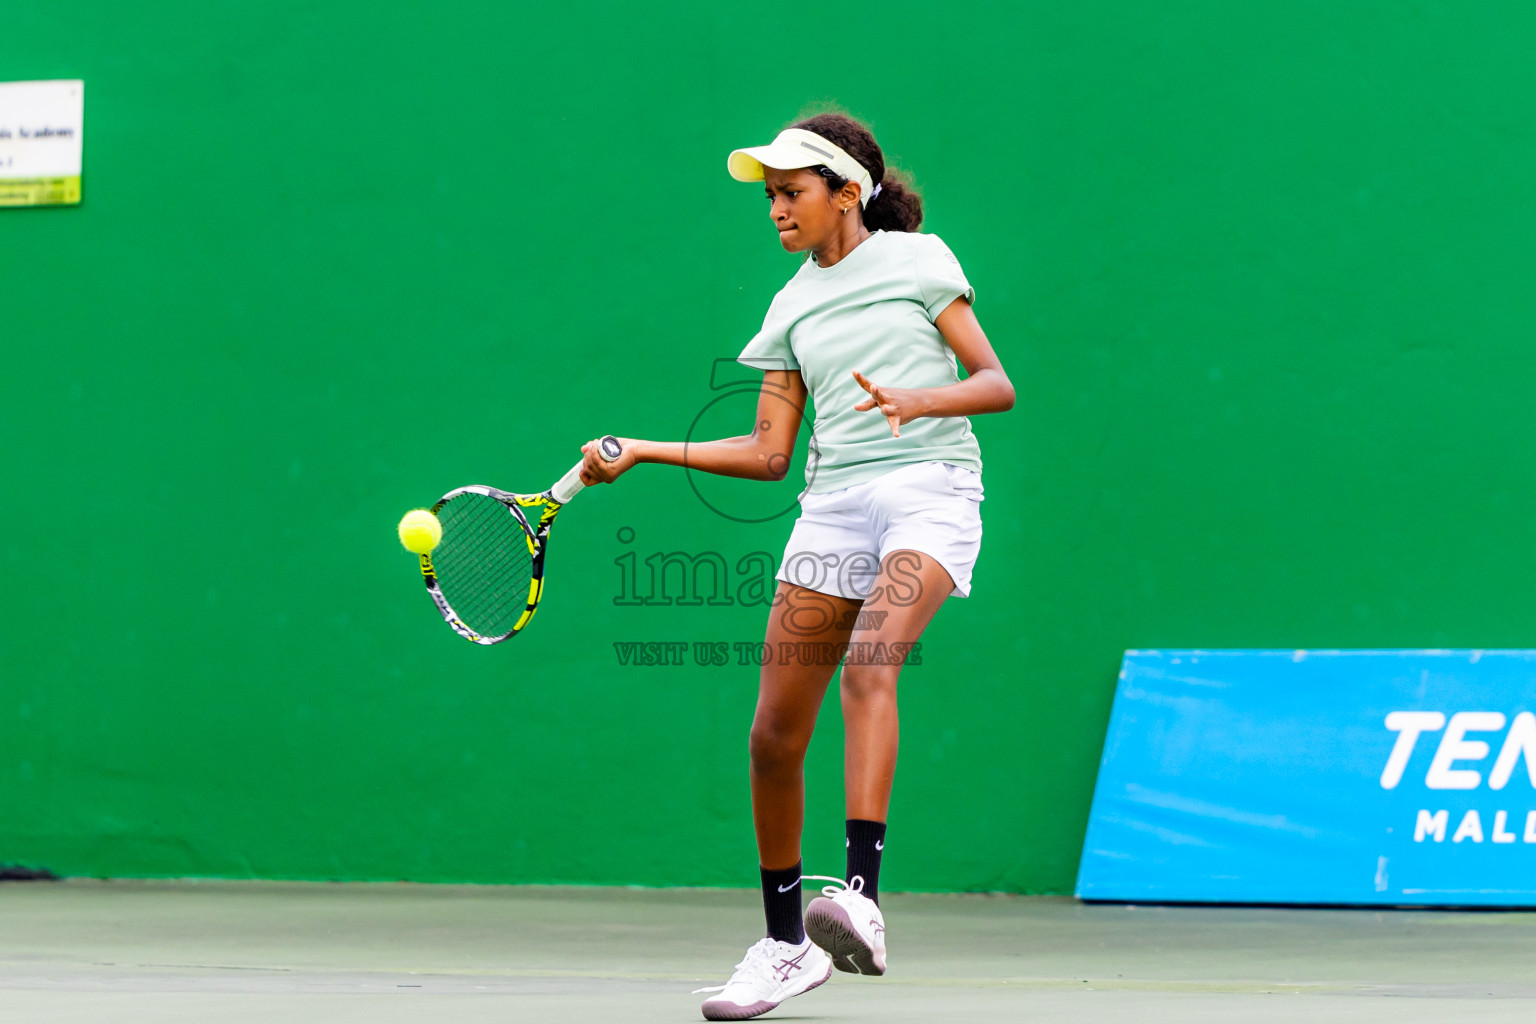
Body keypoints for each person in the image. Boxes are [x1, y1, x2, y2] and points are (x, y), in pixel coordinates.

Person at [578, 111, 1014, 1021]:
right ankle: (784, 945)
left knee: (872, 664)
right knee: (773, 733)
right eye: (770, 196)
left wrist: (915, 399)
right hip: (833, 506)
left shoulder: (923, 263)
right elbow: (771, 451)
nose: (777, 208)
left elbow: (994, 383)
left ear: (846, 192)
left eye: (792, 191)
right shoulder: (789, 303)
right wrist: (649, 450)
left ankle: (859, 896)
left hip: (930, 487)